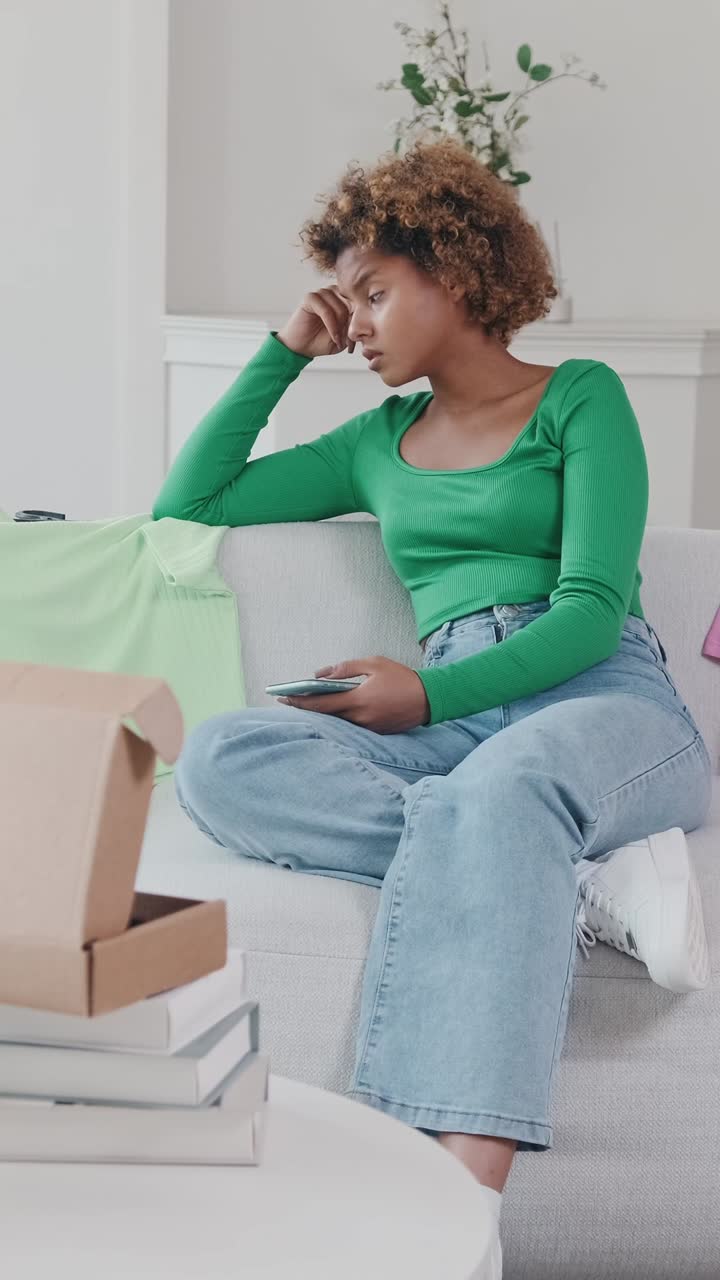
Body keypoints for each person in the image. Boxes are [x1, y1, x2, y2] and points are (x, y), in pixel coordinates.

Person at [154, 136, 712, 1276]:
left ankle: (443, 1220)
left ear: (453, 271)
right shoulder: (374, 445)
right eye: (343, 299)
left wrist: (426, 693)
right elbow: (190, 503)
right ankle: (563, 866)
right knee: (222, 755)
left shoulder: (580, 399)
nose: (352, 320)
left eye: (371, 291)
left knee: (506, 788)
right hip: (457, 736)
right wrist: (282, 349)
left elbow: (594, 610)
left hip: (601, 698)